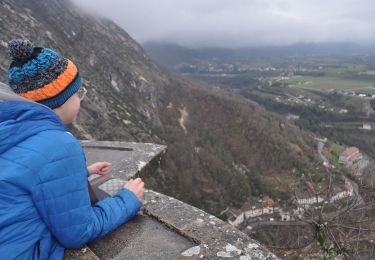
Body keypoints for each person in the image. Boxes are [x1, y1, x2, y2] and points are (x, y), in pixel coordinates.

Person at [0, 39, 145, 259]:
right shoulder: (60, 145)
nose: (80, 100)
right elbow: (78, 232)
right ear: (59, 100)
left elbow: (21, 171)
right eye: (77, 93)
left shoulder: (11, 128)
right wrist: (128, 199)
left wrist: (79, 172)